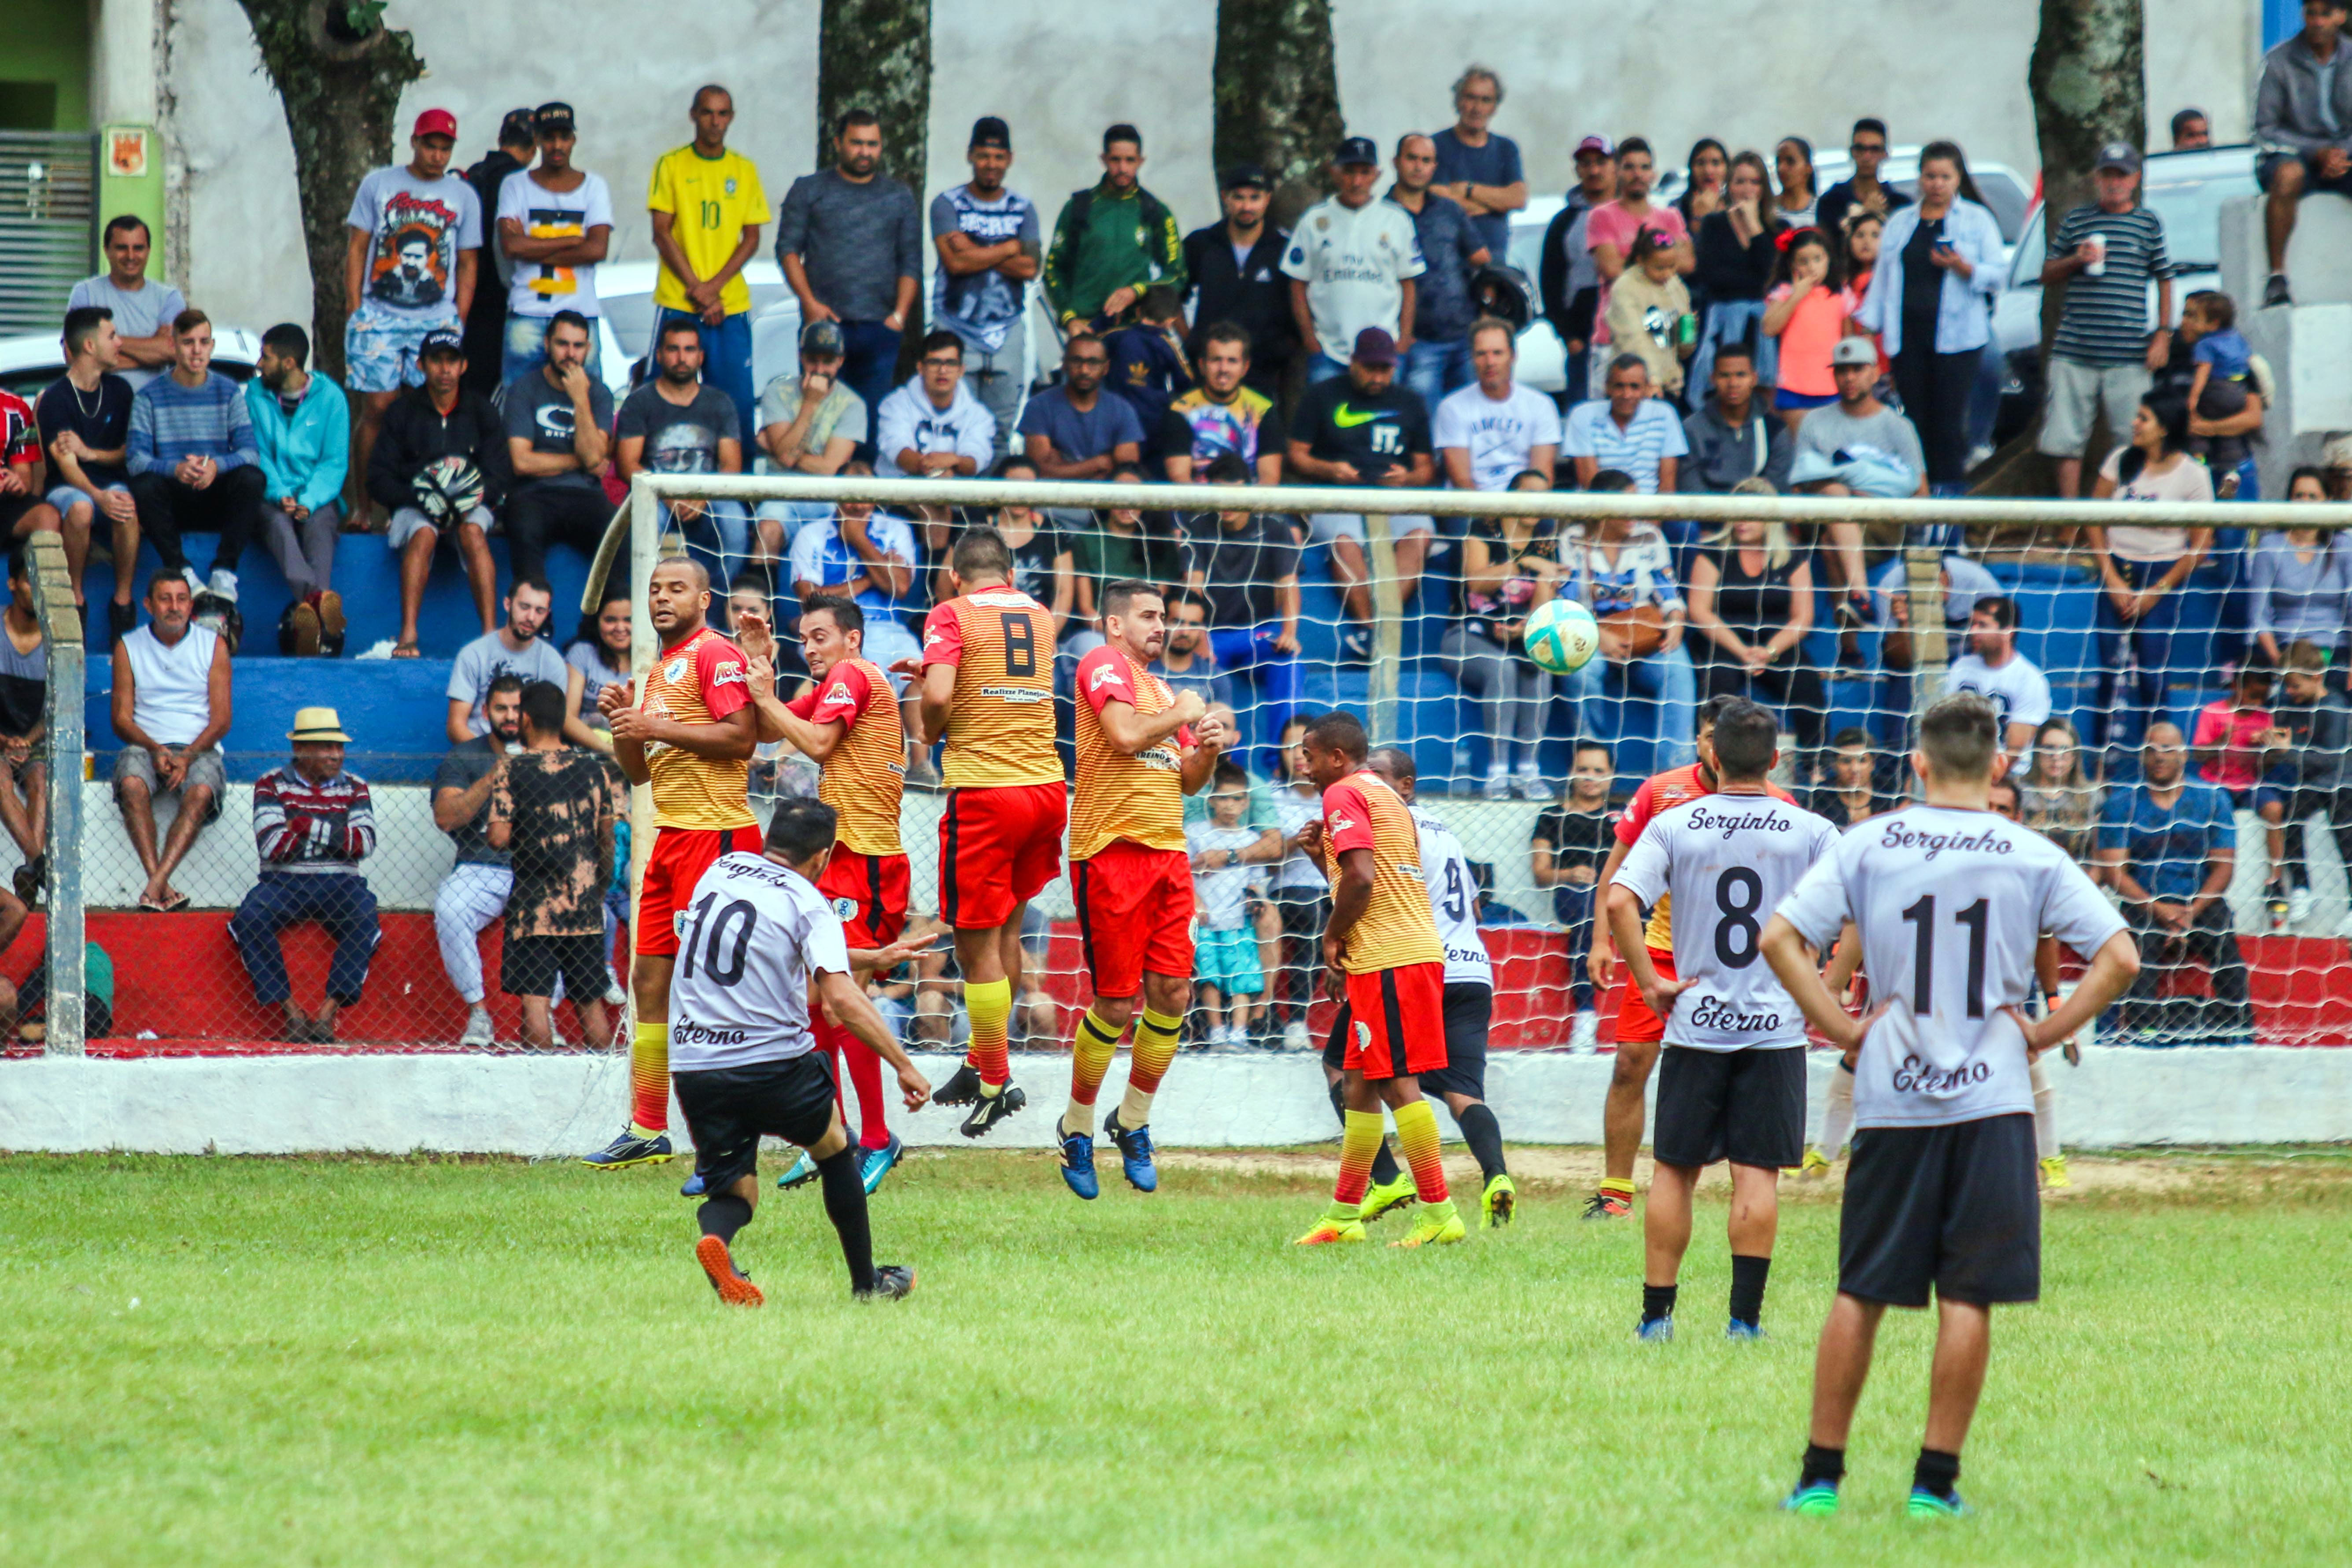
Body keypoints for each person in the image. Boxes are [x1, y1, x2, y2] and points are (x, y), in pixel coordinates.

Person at [1763, 693, 2138, 1519]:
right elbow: (2119, 956)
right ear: (2000, 765)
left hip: (1893, 1097)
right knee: (1967, 1295)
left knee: (1860, 1289)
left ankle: (1820, 1478)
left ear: (1919, 764)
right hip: (1995, 1102)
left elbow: (1779, 939)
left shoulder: (1869, 844)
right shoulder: (2029, 852)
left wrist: (1841, 1026)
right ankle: (1934, 1487)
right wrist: (2042, 1031)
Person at [1608, 700, 1835, 1340]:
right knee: (1757, 1174)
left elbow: (1621, 900)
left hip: (1694, 1025)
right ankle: (1744, 1323)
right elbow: (1860, 908)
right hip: (1776, 1029)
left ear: (1710, 755)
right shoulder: (1810, 828)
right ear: (1775, 760)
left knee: (1674, 1172)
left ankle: (1656, 1320)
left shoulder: (1676, 823)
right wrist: (1829, 986)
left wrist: (1651, 980)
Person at [668, 797, 930, 1306]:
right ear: (823, 858)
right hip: (772, 1064)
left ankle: (716, 1242)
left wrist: (869, 956)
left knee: (735, 1191)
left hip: (696, 1065)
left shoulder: (720, 870)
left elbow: (763, 940)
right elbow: (842, 1000)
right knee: (836, 1148)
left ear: (771, 839)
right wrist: (904, 1065)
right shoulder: (810, 902)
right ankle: (867, 1284)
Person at [587, 556, 761, 1168]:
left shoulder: (715, 654)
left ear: (703, 599)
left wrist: (653, 720)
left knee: (715, 992)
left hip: (717, 841)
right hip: (670, 838)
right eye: (655, 589)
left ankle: (733, 1139)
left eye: (676, 589)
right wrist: (624, 726)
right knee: (648, 980)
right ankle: (647, 1125)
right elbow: (637, 770)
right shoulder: (658, 670)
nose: (662, 598)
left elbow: (743, 737)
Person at [1582, 697, 1785, 1217]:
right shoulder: (1662, 791)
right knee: (1630, 1063)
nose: (1711, 745)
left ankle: (1744, 1190)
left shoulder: (1780, 805)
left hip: (1738, 962)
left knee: (1736, 1074)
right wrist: (1602, 940)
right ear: (1701, 741)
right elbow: (1618, 872)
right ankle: (1615, 1194)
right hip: (1663, 952)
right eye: (1705, 735)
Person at [738, 594, 915, 1191]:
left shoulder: (854, 675)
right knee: (816, 1003)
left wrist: (766, 699)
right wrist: (757, 662)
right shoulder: (834, 681)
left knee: (840, 1002)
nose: (810, 648)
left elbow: (814, 745)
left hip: (868, 861)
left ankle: (876, 1138)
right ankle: (828, 1137)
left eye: (820, 635)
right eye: (803, 639)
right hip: (840, 860)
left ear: (853, 639)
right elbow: (770, 733)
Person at [902, 530, 1065, 1137]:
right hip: (1046, 791)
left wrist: (926, 700)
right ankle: (980, 1060)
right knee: (1008, 933)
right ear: (1010, 574)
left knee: (972, 945)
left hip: (986, 792)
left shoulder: (951, 613)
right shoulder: (1040, 615)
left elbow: (942, 695)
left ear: (953, 574)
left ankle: (996, 1082)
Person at [1059, 576, 1220, 1182]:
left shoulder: (1159, 686)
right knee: (1115, 1000)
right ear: (1115, 624)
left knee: (1174, 994)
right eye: (1149, 615)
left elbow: (1187, 781)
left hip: (1169, 856)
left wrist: (1205, 747)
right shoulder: (1103, 663)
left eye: (1163, 617)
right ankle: (1076, 1126)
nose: (1161, 625)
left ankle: (1132, 1120)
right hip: (1113, 852)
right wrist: (1182, 713)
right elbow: (1125, 737)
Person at [1289, 711, 1462, 1248]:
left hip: (1392, 956)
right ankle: (1344, 1216)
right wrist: (1324, 862)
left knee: (1395, 1083)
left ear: (1336, 757)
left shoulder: (1342, 794)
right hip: (1396, 952)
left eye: (1310, 755)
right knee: (1357, 1082)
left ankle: (1439, 1214)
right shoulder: (1387, 796)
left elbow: (1363, 879)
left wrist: (1330, 938)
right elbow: (1367, 876)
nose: (1304, 764)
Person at [1370, 746, 1517, 1223]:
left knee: (1349, 1069)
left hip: (1418, 968)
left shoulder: (1395, 831)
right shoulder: (1445, 830)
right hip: (1472, 971)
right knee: (1464, 1094)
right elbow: (1474, 910)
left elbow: (1382, 897)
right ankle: (1496, 1174)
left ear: (1406, 785)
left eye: (1377, 777)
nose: (1367, 787)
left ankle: (1392, 1181)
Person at [343, 110, 483, 528]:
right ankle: (365, 508)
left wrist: (457, 318)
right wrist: (355, 309)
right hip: (380, 313)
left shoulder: (464, 195)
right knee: (378, 408)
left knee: (430, 410)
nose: (438, 155)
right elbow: (357, 247)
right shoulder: (379, 184)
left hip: (435, 318)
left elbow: (468, 261)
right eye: (430, 145)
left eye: (445, 148)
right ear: (415, 142)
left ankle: (421, 506)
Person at [1852, 141, 2005, 493]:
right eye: (1930, 176)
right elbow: (1883, 281)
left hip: (1958, 338)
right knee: (1915, 421)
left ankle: (1949, 505)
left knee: (1949, 424)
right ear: (1919, 178)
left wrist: (1963, 267)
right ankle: (1918, 497)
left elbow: (1998, 274)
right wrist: (1866, 329)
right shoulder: (1901, 222)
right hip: (1908, 337)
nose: (1936, 184)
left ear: (1957, 179)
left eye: (1945, 177)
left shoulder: (1975, 219)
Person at [228, 704, 380, 1041]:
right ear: (300, 749)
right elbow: (272, 847)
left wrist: (305, 825)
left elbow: (365, 844)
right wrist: (335, 837)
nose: (336, 754)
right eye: (327, 746)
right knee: (250, 919)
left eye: (339, 747)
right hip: (284, 883)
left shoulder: (356, 786)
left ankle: (327, 1015)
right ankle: (292, 1012)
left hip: (341, 884)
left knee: (365, 917)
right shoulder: (270, 785)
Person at [486, 679, 617, 1051]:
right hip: (586, 905)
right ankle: (608, 1091)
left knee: (536, 1002)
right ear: (563, 720)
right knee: (590, 1003)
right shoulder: (594, 770)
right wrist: (599, 887)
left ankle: (540, 1087)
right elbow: (607, 838)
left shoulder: (513, 768)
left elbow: (498, 837)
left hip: (534, 906)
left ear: (525, 718)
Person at [1285, 328, 1434, 656]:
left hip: (1394, 497)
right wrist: (1330, 470)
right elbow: (1295, 454)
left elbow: (1427, 469)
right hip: (1338, 495)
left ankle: (1381, 627)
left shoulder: (1410, 402)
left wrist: (1406, 478)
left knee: (1421, 532)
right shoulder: (1322, 395)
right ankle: (1370, 630)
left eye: (1385, 368)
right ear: (1353, 362)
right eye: (1370, 368)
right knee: (1344, 540)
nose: (1378, 376)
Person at [2097, 723, 2252, 1038]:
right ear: (2142, 756)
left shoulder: (2212, 799)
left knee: (2225, 946)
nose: (2159, 756)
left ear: (2183, 755)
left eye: (2167, 748)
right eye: (2151, 749)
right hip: (2145, 904)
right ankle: (2144, 1029)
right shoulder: (2120, 803)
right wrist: (2159, 910)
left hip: (2199, 904)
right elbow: (2114, 872)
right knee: (2136, 952)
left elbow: (2223, 868)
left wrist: (2190, 912)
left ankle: (2238, 1027)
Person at [2040, 144, 2175, 499]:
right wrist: (2075, 259)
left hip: (2129, 351)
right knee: (2065, 438)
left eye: (2122, 175)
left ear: (2135, 179)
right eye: (2108, 175)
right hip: (2074, 348)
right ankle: (2071, 519)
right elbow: (2047, 273)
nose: (2114, 182)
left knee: (2131, 436)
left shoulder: (2147, 222)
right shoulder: (2076, 221)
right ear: (2096, 178)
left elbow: (2164, 277)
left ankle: (2120, 513)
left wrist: (2162, 333)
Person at [777, 109, 922, 434]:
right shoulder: (809, 190)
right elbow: (787, 250)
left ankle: (865, 481)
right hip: (824, 326)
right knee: (820, 423)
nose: (864, 152)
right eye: (856, 143)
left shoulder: (898, 196)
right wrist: (810, 304)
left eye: (872, 144)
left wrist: (899, 316)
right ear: (838, 143)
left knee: (871, 427)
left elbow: (910, 260)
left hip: (880, 329)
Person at [2086, 391, 2214, 757]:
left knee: (2152, 674)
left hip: (2162, 577)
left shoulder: (2193, 475)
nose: (2134, 424)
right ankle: (2101, 768)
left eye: (2143, 418)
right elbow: (2092, 519)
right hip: (2116, 570)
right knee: (2110, 670)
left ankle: (2158, 764)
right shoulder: (2119, 461)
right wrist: (2110, 577)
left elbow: (2200, 547)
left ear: (2164, 429)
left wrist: (2156, 591)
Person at [648, 85, 769, 446]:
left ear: (731, 118)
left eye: (722, 113)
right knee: (663, 401)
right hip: (680, 302)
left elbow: (751, 238)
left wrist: (713, 289)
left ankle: (737, 496)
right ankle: (656, 487)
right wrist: (699, 291)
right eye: (707, 113)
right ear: (693, 115)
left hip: (728, 305)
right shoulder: (671, 164)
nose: (715, 122)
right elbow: (661, 232)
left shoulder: (743, 170)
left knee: (734, 406)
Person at [372, 328, 502, 655]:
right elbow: (377, 478)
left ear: (464, 366)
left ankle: (489, 636)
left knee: (473, 532)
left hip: (470, 506)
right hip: (414, 505)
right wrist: (424, 500)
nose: (445, 369)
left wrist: (464, 503)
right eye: (437, 361)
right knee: (423, 535)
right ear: (421, 365)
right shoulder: (401, 412)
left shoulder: (482, 411)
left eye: (452, 361)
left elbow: (501, 474)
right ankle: (408, 636)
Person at [110, 569, 229, 912]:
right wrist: (155, 748)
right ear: (149, 604)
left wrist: (188, 756)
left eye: (181, 599)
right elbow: (120, 719)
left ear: (191, 605)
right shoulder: (128, 646)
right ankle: (160, 883)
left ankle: (153, 887)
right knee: (132, 784)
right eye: (165, 599)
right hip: (146, 744)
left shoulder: (213, 646)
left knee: (201, 792)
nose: (174, 607)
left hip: (199, 747)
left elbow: (222, 720)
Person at [125, 310, 263, 605]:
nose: (197, 350)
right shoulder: (148, 396)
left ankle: (225, 571)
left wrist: (215, 465)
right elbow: (135, 459)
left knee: (252, 479)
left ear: (212, 346)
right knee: (143, 484)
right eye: (188, 342)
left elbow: (250, 452)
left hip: (215, 492)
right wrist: (175, 469)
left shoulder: (229, 392)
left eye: (203, 342)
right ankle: (182, 570)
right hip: (174, 498)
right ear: (174, 346)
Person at [1558, 471, 1698, 761]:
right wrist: (1596, 634)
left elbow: (1667, 591)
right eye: (1625, 504)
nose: (1633, 511)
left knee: (1678, 669)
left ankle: (1673, 775)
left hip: (1645, 634)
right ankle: (1593, 759)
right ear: (1601, 509)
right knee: (1579, 671)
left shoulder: (1651, 536)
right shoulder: (1572, 538)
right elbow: (1565, 602)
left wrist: (1675, 619)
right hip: (1591, 635)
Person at [1446, 468, 1561, 798]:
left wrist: (1525, 628)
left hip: (1516, 637)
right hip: (1465, 633)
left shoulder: (1545, 541)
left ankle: (1528, 770)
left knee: (1540, 665)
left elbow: (1542, 603)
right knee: (1502, 667)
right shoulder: (1481, 530)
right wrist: (1524, 563)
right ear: (1511, 495)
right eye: (1529, 493)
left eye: (1543, 496)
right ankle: (1497, 773)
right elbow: (1477, 581)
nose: (1536, 503)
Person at [1794, 337, 1930, 615]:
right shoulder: (1814, 421)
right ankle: (1861, 596)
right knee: (1834, 495)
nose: (1850, 377)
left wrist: (1873, 498)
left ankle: (1849, 646)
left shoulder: (1898, 426)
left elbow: (1921, 492)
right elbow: (1798, 490)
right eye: (1842, 371)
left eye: (1858, 369)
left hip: (1881, 521)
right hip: (1821, 516)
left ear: (1875, 372)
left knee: (1832, 543)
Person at [930, 117, 1040, 460]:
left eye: (997, 157)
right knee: (954, 425)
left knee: (1001, 428)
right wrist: (1008, 248)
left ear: (1009, 158)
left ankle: (991, 511)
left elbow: (1030, 267)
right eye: (982, 156)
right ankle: (957, 510)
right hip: (956, 328)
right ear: (970, 156)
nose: (990, 165)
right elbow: (956, 265)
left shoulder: (1023, 209)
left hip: (1006, 330)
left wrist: (976, 248)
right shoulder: (947, 204)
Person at [614, 319, 757, 582]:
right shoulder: (639, 402)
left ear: (701, 356)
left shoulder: (719, 402)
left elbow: (731, 467)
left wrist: (703, 494)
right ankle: (642, 602)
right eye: (673, 349)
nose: (682, 358)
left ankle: (718, 602)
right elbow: (627, 466)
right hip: (655, 496)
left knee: (735, 523)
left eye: (689, 350)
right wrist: (668, 495)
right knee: (642, 524)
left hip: (709, 496)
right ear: (659, 355)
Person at [1181, 454, 1302, 765]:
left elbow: (1288, 583)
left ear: (1248, 491)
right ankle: (1216, 763)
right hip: (1211, 635)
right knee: (1188, 667)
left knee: (1288, 661)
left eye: (1234, 493)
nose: (1227, 503)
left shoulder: (1274, 528)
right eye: (1220, 494)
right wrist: (1198, 635)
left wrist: (1289, 632)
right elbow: (1193, 588)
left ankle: (1280, 765)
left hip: (1255, 633)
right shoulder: (1199, 527)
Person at [1685, 516, 1826, 781]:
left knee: (1807, 684)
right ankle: (1711, 769)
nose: (1741, 522)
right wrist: (1742, 651)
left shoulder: (1792, 556)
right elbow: (1699, 611)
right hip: (1724, 640)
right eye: (1736, 514)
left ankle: (1815, 770)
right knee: (1719, 684)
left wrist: (1768, 652)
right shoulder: (1713, 552)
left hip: (1776, 643)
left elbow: (1803, 618)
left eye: (1750, 515)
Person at [242, 323, 348, 654]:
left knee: (320, 524)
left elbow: (334, 461)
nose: (260, 364)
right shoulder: (254, 396)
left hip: (318, 494)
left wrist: (310, 499)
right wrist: (279, 494)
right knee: (276, 524)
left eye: (267, 357)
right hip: (272, 493)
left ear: (289, 363)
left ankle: (311, 614)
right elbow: (257, 453)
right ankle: (318, 601)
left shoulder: (331, 398)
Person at [432, 674, 525, 1047]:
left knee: (588, 911)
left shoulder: (549, 752)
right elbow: (445, 817)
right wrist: (493, 777)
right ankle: (479, 1013)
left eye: (518, 708)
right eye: (502, 708)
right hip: (480, 867)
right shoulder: (464, 756)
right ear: (485, 711)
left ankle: (547, 1017)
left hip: (537, 868)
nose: (510, 716)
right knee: (450, 907)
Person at [1285, 137, 1425, 383]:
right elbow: (1297, 282)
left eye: (1365, 172)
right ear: (1335, 172)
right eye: (1349, 172)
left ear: (1377, 175)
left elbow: (1408, 282)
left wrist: (1403, 340)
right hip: (1328, 352)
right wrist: (1310, 339)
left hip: (1384, 352)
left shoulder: (1396, 220)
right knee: (1327, 420)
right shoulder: (1314, 220)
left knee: (1382, 420)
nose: (1357, 181)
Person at [36, 306, 141, 635]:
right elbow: (67, 466)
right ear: (90, 346)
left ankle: (122, 602)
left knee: (125, 504)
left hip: (109, 480)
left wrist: (90, 453)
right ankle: (76, 598)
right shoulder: (56, 398)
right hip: (66, 487)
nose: (120, 343)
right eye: (112, 336)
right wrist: (98, 497)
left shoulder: (121, 391)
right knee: (81, 508)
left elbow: (128, 452)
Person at [495, 103, 613, 386]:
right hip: (528, 313)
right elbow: (511, 248)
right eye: (549, 137)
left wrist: (531, 245)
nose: (557, 145)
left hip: (581, 317)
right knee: (518, 404)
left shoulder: (594, 187)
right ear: (536, 140)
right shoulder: (515, 185)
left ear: (574, 139)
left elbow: (597, 250)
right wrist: (574, 241)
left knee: (587, 402)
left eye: (564, 136)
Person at [501, 310, 615, 589]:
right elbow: (522, 462)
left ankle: (609, 622)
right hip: (533, 493)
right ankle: (535, 620)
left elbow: (594, 458)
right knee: (524, 530)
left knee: (618, 535)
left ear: (589, 349)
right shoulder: (523, 390)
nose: (570, 354)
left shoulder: (598, 393)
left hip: (585, 495)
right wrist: (581, 462)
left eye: (578, 346)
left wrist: (580, 399)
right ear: (547, 344)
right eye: (563, 344)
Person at [1045, 124, 1186, 333]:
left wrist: (1137, 291)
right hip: (1086, 330)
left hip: (1136, 330)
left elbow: (1176, 275)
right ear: (1103, 160)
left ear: (1141, 161)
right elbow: (1052, 269)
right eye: (1115, 160)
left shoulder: (1156, 212)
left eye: (1130, 160)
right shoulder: (1078, 208)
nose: (1123, 168)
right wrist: (1069, 317)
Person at [2258, 0, 2352, 307]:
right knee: (2287, 176)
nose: (2316, 22)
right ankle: (2276, 277)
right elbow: (2265, 128)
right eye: (2310, 13)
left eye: (2325, 14)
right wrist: (2317, 152)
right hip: (2293, 154)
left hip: (2343, 153)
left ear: (2341, 16)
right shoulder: (2278, 60)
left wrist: (2340, 153)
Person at [1389, 133, 1491, 409]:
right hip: (1416, 341)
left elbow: (1481, 258)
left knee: (1472, 424)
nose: (1419, 167)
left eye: (1426, 160)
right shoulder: (1381, 214)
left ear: (1435, 167)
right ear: (1396, 162)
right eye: (1412, 158)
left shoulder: (1449, 210)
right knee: (1427, 428)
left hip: (1464, 336)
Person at [2259, 640, 2352, 931]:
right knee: (2288, 818)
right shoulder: (2289, 706)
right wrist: (2270, 745)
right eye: (2286, 685)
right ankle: (2301, 888)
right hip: (2308, 784)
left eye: (2294, 685)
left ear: (2315, 678)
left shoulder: (2335, 708)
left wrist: (2287, 751)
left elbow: (2330, 761)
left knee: (2345, 836)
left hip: (2341, 783)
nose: (2289, 692)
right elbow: (2284, 743)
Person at [1181, 166, 1297, 401]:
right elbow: (1171, 295)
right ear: (1225, 198)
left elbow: (1299, 300)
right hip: (1210, 368)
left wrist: (1283, 348)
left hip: (1264, 370)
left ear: (1268, 199)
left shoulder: (1285, 249)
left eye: (1255, 198)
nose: (1247, 207)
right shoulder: (1201, 244)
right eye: (1239, 198)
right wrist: (1190, 340)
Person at [1530, 743, 1619, 1049]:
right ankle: (1585, 1017)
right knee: (1584, 909)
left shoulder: (1619, 819)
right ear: (1571, 773)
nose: (1590, 777)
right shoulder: (1551, 816)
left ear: (1610, 777)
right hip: (1574, 897)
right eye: (1583, 769)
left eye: (1598, 770)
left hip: (1616, 899)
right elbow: (1540, 875)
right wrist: (1569, 873)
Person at [1587, 140, 1693, 390]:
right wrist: (1661, 258)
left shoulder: (1669, 216)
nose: (1638, 175)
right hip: (1613, 339)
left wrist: (1640, 258)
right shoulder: (1602, 216)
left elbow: (1687, 263)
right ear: (1616, 171)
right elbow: (1611, 268)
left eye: (1645, 167)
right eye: (1629, 167)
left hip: (1663, 341)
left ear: (1654, 174)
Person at [754, 320, 867, 544]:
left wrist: (781, 451)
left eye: (828, 362)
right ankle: (759, 579)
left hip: (827, 498)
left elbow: (829, 468)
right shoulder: (777, 392)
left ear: (840, 361)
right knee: (769, 529)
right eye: (812, 360)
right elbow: (787, 454)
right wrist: (810, 405)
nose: (819, 369)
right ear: (801, 357)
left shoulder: (853, 404)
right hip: (780, 492)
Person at [1690, 150, 1784, 392]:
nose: (1747, 189)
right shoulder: (1714, 224)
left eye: (1755, 182)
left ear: (1764, 188)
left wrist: (1754, 226)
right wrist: (1754, 282)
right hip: (1723, 327)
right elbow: (1712, 277)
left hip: (1765, 328)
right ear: (1729, 186)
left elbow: (1773, 277)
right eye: (1740, 181)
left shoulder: (1778, 228)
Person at [459, 107, 536, 397]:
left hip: (465, 301)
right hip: (504, 304)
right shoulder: (522, 185)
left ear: (500, 138)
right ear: (533, 149)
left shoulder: (472, 178)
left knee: (470, 392)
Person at [1435, 317, 1561, 491]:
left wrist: (1514, 513)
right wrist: (1491, 516)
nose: (1490, 362)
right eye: (1481, 354)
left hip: (1526, 505)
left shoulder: (1541, 405)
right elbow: (1461, 480)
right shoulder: (1452, 408)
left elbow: (1542, 475)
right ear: (1472, 357)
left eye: (1498, 353)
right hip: (1471, 506)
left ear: (1513, 356)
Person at [1189, 765, 1266, 1049]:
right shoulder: (1196, 834)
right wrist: (1196, 902)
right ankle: (1217, 1030)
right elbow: (1182, 872)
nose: (1230, 805)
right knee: (1210, 976)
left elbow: (1257, 882)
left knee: (1241, 978)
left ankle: (1239, 1032)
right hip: (1206, 919)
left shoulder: (1251, 841)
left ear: (1246, 802)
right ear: (1211, 800)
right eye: (1224, 798)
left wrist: (1254, 898)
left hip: (1238, 921)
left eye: (1237, 799)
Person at [446, 578, 573, 743]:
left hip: (529, 757)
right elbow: (456, 727)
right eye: (525, 607)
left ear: (547, 615)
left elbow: (553, 727)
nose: (531, 617)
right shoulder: (474, 654)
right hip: (480, 752)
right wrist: (491, 759)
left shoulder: (552, 662)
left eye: (540, 611)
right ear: (508, 604)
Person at [1018, 333, 1145, 497]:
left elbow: (1127, 475)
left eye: (1093, 363)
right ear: (1064, 364)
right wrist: (1098, 464)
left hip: (1106, 501)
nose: (1084, 370)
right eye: (1077, 361)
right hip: (1054, 499)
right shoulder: (1039, 406)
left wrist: (1063, 467)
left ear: (1106, 368)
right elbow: (1039, 472)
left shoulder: (1122, 410)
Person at [1541, 136, 1619, 402]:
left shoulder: (1633, 212)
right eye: (1586, 164)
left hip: (1630, 334)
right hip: (1583, 340)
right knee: (1583, 417)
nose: (1594, 170)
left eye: (1601, 162)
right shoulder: (1563, 223)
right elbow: (1550, 282)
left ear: (1615, 166)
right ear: (1578, 170)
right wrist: (1568, 336)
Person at [1162, 322, 1285, 486]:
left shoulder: (1263, 410)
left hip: (1250, 506)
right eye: (1216, 360)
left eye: (1232, 361)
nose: (1223, 369)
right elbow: (1180, 478)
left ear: (1245, 367)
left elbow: (1270, 479)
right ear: (1202, 365)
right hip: (1198, 506)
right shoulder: (1181, 410)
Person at [68, 216, 185, 383]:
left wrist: (102, 345)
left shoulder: (170, 298)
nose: (131, 256)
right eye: (122, 248)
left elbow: (173, 351)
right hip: (99, 407)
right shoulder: (85, 293)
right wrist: (154, 350)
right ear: (107, 250)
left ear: (149, 250)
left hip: (152, 407)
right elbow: (74, 357)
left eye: (138, 248)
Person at [2250, 474, 2350, 667]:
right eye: (2299, 495)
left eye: (2313, 497)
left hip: (2336, 652)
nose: (2305, 502)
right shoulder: (2270, 547)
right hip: (2287, 651)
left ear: (2327, 501)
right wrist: (2281, 665)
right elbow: (2258, 618)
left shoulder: (2344, 545)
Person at [1942, 597, 2052, 772]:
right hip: (1958, 771)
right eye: (1972, 624)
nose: (1973, 632)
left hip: (2007, 778)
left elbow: (2013, 753)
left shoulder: (2030, 679)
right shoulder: (1961, 667)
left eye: (1982, 625)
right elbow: (1943, 725)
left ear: (2008, 631)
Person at [876, 331, 997, 486]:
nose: (943, 371)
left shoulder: (979, 415)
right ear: (921, 368)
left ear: (961, 370)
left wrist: (955, 461)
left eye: (951, 363)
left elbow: (975, 462)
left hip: (958, 497)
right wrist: (937, 469)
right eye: (935, 362)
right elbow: (898, 451)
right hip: (902, 493)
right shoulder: (895, 404)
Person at [1428, 65, 1527, 255]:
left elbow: (1518, 199)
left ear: (1495, 107)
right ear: (1457, 101)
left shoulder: (1506, 149)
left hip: (1495, 260)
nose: (1477, 108)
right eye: (1470, 98)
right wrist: (1494, 205)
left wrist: (1468, 189)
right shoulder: (1436, 146)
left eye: (1486, 100)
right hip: (1449, 262)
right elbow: (1437, 198)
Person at [1763, 227, 1850, 431]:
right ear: (1792, 264)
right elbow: (1769, 328)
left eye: (1818, 259)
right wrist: (1797, 295)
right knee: (1801, 449)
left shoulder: (1841, 295)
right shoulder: (1784, 293)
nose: (1812, 267)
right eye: (1803, 261)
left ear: (1829, 259)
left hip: (1832, 384)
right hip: (1794, 384)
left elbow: (1848, 339)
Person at [1565, 355, 1686, 497]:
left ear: (1647, 388)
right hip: (1600, 510)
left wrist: (1652, 518)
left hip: (1652, 510)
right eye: (1619, 386)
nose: (1627, 395)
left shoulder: (1665, 415)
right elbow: (1591, 484)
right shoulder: (1582, 415)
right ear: (1607, 387)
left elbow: (1667, 486)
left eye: (1635, 387)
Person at [0, 550, 49, 897]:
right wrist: (5, 741)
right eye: (32, 581)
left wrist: (27, 742)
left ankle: (33, 872)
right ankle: (40, 863)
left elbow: (60, 708)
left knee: (40, 779)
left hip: (37, 740)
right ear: (13, 583)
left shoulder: (58, 640)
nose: (40, 590)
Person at [1680, 345, 1792, 493]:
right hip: (1707, 513)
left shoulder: (1775, 430)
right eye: (1725, 376)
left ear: (1754, 379)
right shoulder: (1691, 429)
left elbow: (1777, 488)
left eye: (1741, 375)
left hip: (1759, 512)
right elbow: (1691, 491)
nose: (1733, 384)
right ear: (1713, 379)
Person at [1100, 286, 1194, 458]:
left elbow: (1090, 349)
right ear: (1171, 320)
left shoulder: (1116, 336)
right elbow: (1187, 381)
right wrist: (1168, 400)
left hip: (1114, 415)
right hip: (1152, 419)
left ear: (1138, 311)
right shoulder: (1168, 345)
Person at [2020, 716, 2105, 866]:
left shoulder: (2093, 796)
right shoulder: (2020, 792)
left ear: (2075, 756)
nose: (2056, 757)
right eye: (2049, 748)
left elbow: (2100, 858)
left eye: (2065, 750)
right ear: (2037, 753)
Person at [1814, 118, 1913, 241]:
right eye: (1860, 149)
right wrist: (1866, 213)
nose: (1867, 157)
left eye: (1874, 150)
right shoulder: (1831, 202)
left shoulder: (1900, 205)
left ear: (1885, 154)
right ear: (1852, 152)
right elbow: (1828, 248)